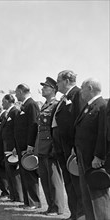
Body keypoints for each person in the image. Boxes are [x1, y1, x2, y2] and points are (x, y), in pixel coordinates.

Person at [74, 78, 110, 220]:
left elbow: (103, 133)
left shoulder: (102, 106)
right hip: (84, 155)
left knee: (98, 196)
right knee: (87, 196)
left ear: (89, 88)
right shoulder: (90, 106)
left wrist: (99, 156)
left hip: (94, 159)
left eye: (82, 88)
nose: (80, 91)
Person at [51, 70, 84, 220]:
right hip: (61, 145)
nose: (57, 84)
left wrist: (75, 146)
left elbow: (79, 121)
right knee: (69, 180)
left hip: (70, 146)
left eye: (58, 81)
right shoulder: (64, 98)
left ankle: (81, 214)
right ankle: (74, 213)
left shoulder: (77, 94)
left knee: (76, 181)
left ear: (66, 80)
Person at [36, 77, 64, 216]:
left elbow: (55, 129)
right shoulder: (44, 105)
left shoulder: (56, 105)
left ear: (53, 89)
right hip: (42, 146)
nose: (42, 89)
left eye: (45, 87)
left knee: (54, 179)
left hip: (50, 147)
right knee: (45, 179)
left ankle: (58, 207)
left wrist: (54, 147)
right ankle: (50, 206)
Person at [14, 84, 41, 209]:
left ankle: (33, 202)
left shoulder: (31, 105)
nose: (15, 95)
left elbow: (33, 125)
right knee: (24, 174)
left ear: (20, 91)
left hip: (27, 146)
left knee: (30, 174)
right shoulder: (25, 105)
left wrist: (30, 145)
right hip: (21, 146)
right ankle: (27, 201)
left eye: (16, 92)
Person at [0, 94, 23, 202]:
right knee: (9, 172)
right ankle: (13, 195)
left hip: (12, 147)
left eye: (3, 101)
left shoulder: (14, 111)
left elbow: (16, 130)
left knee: (14, 173)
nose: (2, 104)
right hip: (7, 146)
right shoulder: (8, 113)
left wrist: (15, 147)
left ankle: (18, 196)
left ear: (9, 101)